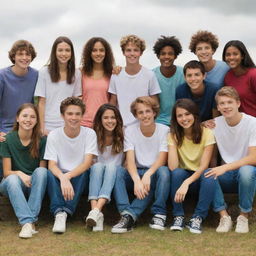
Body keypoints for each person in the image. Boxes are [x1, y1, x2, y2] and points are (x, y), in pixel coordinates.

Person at [111, 96, 170, 233]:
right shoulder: (130, 131)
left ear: (154, 112)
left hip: (153, 172)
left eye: (148, 111)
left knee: (164, 172)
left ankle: (157, 215)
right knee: (117, 171)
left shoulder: (164, 130)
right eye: (140, 112)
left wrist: (148, 174)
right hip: (136, 172)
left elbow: (162, 158)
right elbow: (130, 161)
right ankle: (125, 213)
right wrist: (137, 180)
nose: (145, 115)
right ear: (136, 115)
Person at [205, 86, 256, 233]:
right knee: (207, 173)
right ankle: (224, 216)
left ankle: (243, 216)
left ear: (238, 103)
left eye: (229, 102)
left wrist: (225, 167)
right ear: (218, 107)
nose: (226, 106)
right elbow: (194, 127)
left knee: (246, 171)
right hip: (227, 176)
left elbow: (253, 158)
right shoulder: (214, 123)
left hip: (248, 174)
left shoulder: (252, 123)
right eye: (222, 103)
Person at [44, 97, 98, 234]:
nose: (73, 117)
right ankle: (59, 213)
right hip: (59, 176)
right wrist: (63, 178)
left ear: (82, 115)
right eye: (70, 114)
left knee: (84, 171)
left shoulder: (90, 134)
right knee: (48, 173)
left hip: (80, 177)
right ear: (62, 115)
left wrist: (67, 176)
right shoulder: (54, 135)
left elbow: (87, 163)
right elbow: (51, 165)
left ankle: (66, 211)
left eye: (77, 114)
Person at [168, 99, 216, 234]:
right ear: (175, 118)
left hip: (199, 176)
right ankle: (178, 216)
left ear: (194, 114)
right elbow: (173, 167)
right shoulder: (173, 135)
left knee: (209, 174)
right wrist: (174, 140)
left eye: (187, 114)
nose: (184, 119)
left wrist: (186, 183)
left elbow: (203, 166)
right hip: (183, 175)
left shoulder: (207, 133)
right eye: (179, 115)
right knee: (177, 173)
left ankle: (197, 218)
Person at [0, 103, 47, 239]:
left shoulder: (42, 140)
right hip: (11, 184)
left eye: (32, 117)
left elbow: (41, 171)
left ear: (37, 120)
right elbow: (7, 172)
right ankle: (28, 222)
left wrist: (31, 178)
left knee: (42, 172)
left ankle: (28, 224)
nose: (28, 119)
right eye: (25, 116)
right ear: (17, 118)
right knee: (13, 179)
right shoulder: (7, 139)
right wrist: (20, 173)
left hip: (33, 184)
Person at [85, 104, 124, 231]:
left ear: (117, 119)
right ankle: (96, 213)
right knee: (97, 167)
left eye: (113, 117)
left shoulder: (124, 135)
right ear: (100, 120)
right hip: (97, 174)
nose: (110, 121)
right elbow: (90, 162)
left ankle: (95, 211)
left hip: (116, 174)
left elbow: (126, 162)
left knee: (111, 167)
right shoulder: (93, 135)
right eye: (106, 118)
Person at [109, 34, 161, 127]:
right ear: (123, 52)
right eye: (128, 50)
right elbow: (113, 102)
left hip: (143, 124)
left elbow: (155, 103)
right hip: (122, 126)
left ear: (141, 53)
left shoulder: (150, 75)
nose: (132, 53)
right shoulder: (116, 75)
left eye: (136, 50)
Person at [35, 36, 82, 135]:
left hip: (67, 124)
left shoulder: (76, 73)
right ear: (54, 52)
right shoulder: (44, 72)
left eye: (67, 50)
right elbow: (41, 102)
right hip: (47, 125)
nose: (64, 54)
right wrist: (41, 128)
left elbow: (76, 101)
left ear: (71, 53)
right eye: (60, 50)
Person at [0, 40, 37, 137]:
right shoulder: (2, 76)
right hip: (5, 128)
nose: (24, 58)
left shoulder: (36, 75)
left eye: (28, 54)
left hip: (28, 127)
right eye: (20, 54)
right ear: (13, 56)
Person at [80, 37, 115, 128]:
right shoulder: (80, 73)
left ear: (106, 53)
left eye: (101, 50)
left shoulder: (113, 74)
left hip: (104, 124)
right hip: (83, 123)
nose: (98, 53)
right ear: (89, 53)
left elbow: (113, 101)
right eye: (94, 50)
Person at [152, 36, 185, 126]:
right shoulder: (151, 75)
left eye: (170, 54)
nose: (166, 57)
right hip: (158, 121)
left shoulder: (184, 73)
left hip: (180, 120)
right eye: (163, 54)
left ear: (175, 56)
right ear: (158, 56)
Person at [222, 40, 256, 117]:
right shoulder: (228, 76)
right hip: (238, 123)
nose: (231, 57)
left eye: (235, 54)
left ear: (242, 56)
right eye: (228, 55)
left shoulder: (253, 75)